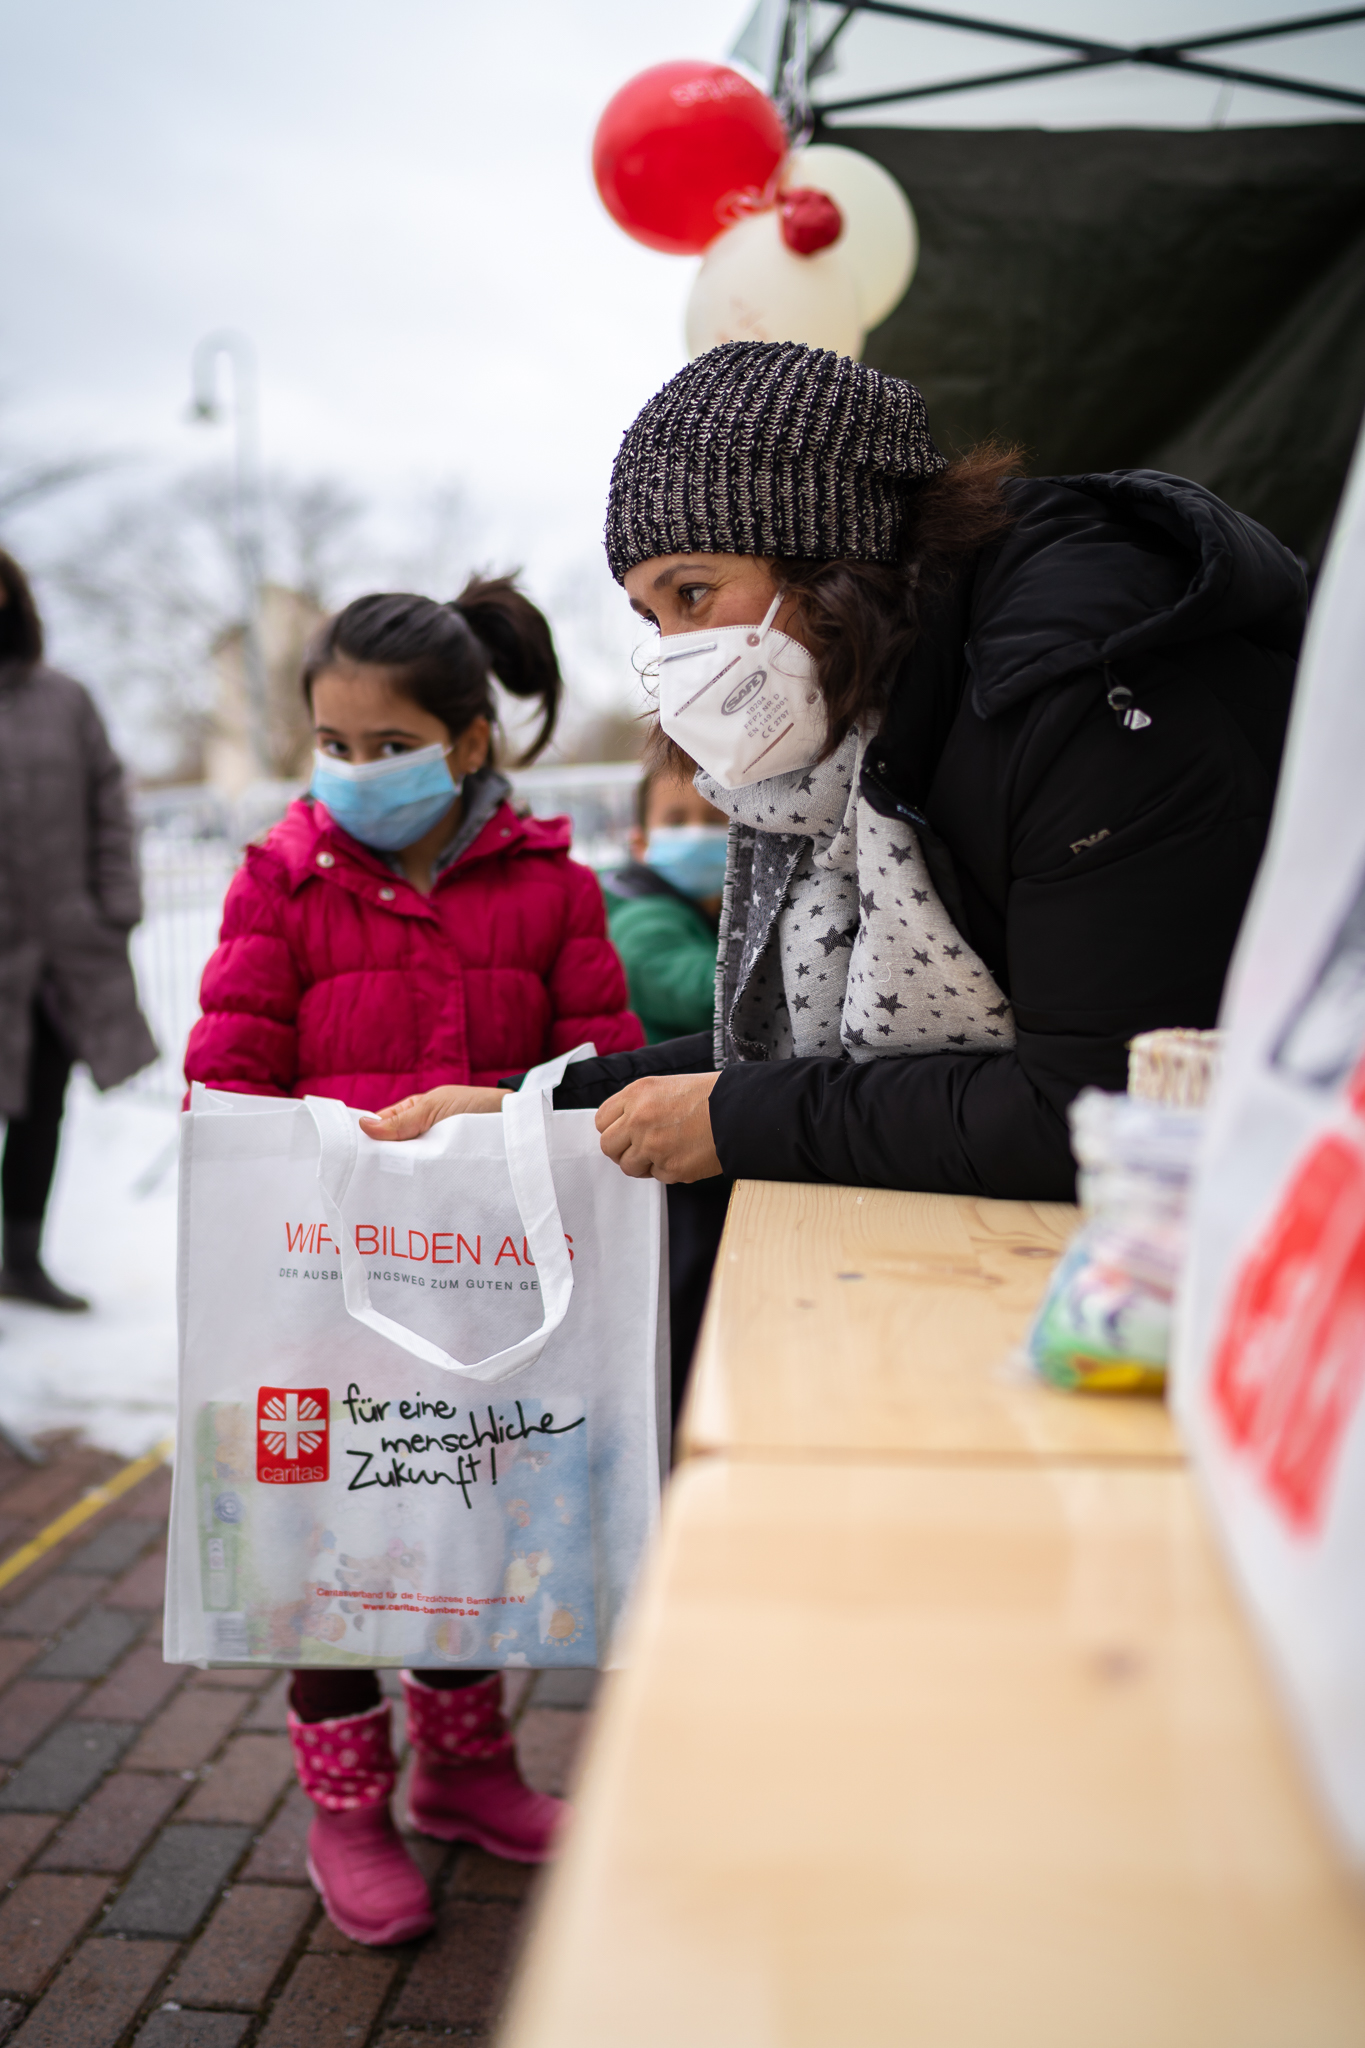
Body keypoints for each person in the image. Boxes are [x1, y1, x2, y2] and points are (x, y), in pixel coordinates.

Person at [364, 341, 1304, 1392]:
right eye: (649, 617)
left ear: (824, 553)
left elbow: (1088, 1100)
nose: (673, 655)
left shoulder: (1086, 696)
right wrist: (541, 1103)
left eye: (693, 591)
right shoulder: (865, 731)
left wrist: (732, 1117)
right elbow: (809, 1037)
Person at [185, 575, 644, 1948]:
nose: (351, 772)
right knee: (322, 1554)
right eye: (332, 743)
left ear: (468, 741)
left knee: (461, 1525)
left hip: (487, 1295)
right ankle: (348, 1808)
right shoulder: (281, 880)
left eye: (383, 746)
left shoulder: (552, 887)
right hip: (321, 1294)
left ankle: (463, 1771)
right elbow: (228, 1085)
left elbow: (601, 1074)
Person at [0, 549, 155, 1313]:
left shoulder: (66, 700)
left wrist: (114, 906)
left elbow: (110, 804)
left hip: (60, 955)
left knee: (40, 1107)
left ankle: (22, 1260)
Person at [601, 764, 726, 1044]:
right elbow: (709, 995)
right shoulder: (641, 922)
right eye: (676, 822)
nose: (697, 834)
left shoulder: (712, 909)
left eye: (716, 820)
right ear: (640, 843)